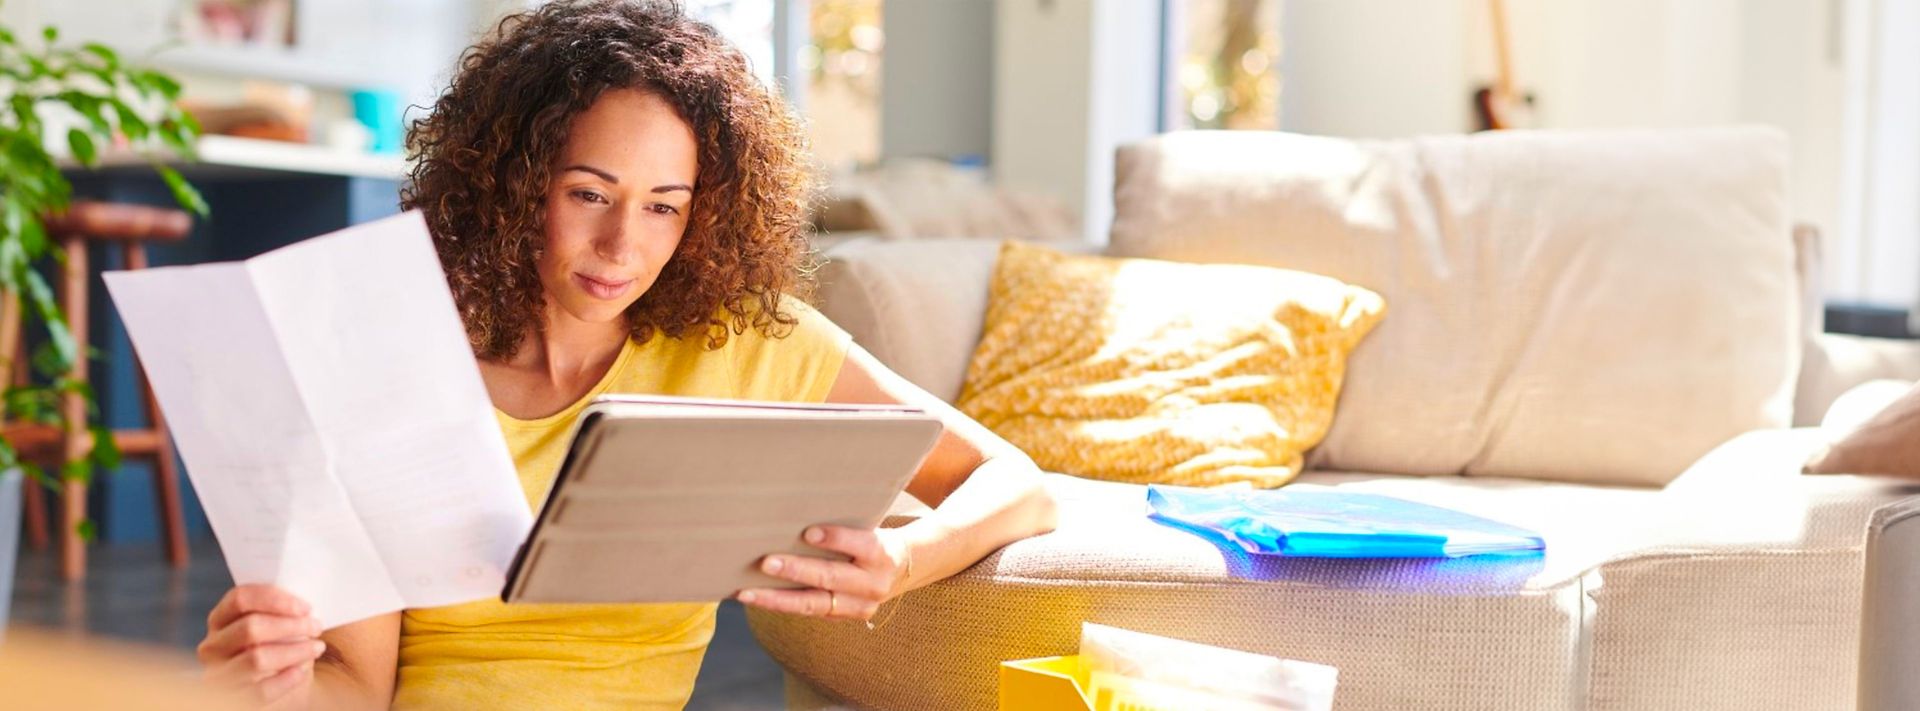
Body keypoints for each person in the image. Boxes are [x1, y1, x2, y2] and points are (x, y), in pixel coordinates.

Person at [192, 2, 1058, 708]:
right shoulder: (394, 362)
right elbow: (360, 688)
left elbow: (1014, 482)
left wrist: (904, 560)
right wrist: (273, 681)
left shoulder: (747, 342)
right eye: (588, 194)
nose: (620, 246)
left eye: (663, 208)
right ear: (513, 182)